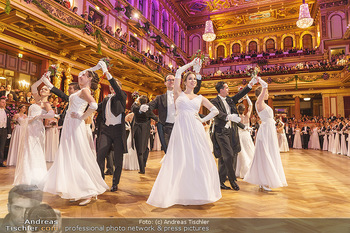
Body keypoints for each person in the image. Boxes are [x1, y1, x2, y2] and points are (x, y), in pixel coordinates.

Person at [147, 58, 221, 208]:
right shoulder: (178, 93)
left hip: (195, 128)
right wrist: (192, 64)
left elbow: (215, 110)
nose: (193, 81)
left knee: (197, 158)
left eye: (194, 79)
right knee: (180, 159)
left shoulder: (200, 98)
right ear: (185, 82)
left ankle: (200, 192)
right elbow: (179, 71)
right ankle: (178, 191)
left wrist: (202, 119)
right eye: (190, 79)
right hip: (180, 129)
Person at [38, 64, 108, 206]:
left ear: (89, 79)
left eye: (83, 75)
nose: (80, 76)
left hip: (76, 125)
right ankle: (76, 189)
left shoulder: (85, 91)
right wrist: (47, 83)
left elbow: (94, 106)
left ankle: (89, 191)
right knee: (69, 155)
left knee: (77, 156)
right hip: (70, 125)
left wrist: (82, 116)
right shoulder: (81, 90)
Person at [211, 78, 257, 191]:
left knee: (224, 157)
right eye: (226, 87)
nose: (228, 89)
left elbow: (240, 94)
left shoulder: (230, 100)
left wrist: (250, 84)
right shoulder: (214, 101)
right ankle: (232, 180)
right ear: (221, 90)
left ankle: (220, 181)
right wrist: (228, 117)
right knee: (229, 155)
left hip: (231, 131)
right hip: (220, 132)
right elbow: (217, 113)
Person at [141, 71, 202, 153]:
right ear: (165, 83)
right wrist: (145, 107)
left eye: (173, 80)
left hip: (181, 126)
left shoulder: (182, 95)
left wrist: (198, 76)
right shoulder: (159, 98)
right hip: (165, 127)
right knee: (168, 151)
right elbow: (150, 106)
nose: (171, 82)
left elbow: (195, 90)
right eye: (169, 80)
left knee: (182, 150)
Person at [244, 78, 287, 191]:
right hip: (265, 131)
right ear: (261, 95)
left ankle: (266, 180)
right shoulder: (259, 103)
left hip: (269, 130)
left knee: (270, 153)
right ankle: (264, 181)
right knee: (265, 154)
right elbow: (264, 88)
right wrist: (262, 84)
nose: (268, 94)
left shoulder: (263, 104)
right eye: (266, 93)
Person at [14, 74, 55, 186]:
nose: (42, 89)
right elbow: (33, 87)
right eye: (42, 88)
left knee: (35, 151)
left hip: (37, 129)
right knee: (27, 151)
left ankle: (36, 178)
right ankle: (26, 178)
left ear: (49, 93)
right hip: (29, 128)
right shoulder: (37, 99)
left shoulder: (46, 103)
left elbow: (52, 113)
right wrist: (42, 79)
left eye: (45, 89)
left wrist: (38, 117)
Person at [96, 61, 127, 193]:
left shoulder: (122, 97)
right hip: (106, 130)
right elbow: (95, 108)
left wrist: (107, 73)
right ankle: (100, 180)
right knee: (100, 155)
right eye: (111, 86)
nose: (112, 88)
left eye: (115, 86)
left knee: (118, 159)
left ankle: (115, 183)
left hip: (118, 131)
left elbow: (115, 85)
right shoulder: (106, 99)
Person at [131, 96, 158, 174]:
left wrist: (136, 100)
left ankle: (142, 168)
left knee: (139, 150)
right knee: (145, 148)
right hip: (145, 131)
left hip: (137, 130)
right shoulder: (148, 110)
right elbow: (155, 118)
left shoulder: (136, 108)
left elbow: (132, 106)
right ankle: (143, 165)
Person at [236, 95, 255, 178]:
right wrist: (247, 97)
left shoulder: (236, 117)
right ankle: (250, 170)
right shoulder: (247, 116)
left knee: (240, 154)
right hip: (246, 136)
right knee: (249, 152)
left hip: (239, 136)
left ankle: (239, 171)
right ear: (244, 110)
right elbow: (251, 105)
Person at [0, 97, 11, 167]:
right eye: (2, 102)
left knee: (2, 147)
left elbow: (8, 122)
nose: (4, 104)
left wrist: (9, 132)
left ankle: (0, 162)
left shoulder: (7, 111)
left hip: (4, 130)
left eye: (5, 102)